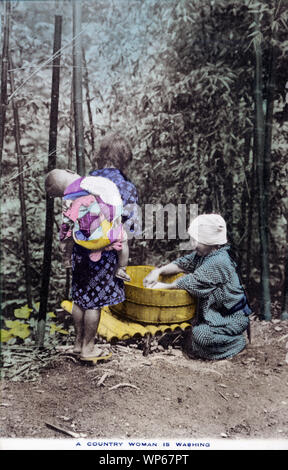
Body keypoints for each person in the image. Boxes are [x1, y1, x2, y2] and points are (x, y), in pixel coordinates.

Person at [45, 133, 139, 363]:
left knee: (80, 298)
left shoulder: (85, 180)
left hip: (79, 250)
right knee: (95, 302)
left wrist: (66, 246)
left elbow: (69, 218)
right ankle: (89, 347)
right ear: (125, 158)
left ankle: (77, 344)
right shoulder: (125, 186)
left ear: (100, 155)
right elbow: (132, 225)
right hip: (105, 254)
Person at [143, 214, 252, 361]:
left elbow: (191, 282)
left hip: (232, 317)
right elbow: (182, 263)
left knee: (199, 336)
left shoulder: (219, 261)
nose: (193, 245)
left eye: (197, 241)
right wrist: (158, 271)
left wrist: (163, 286)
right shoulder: (204, 254)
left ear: (211, 242)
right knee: (185, 330)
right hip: (217, 314)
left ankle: (236, 344)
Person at [45, 168, 131, 281]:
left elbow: (66, 225)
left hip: (87, 242)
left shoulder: (69, 199)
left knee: (72, 233)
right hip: (110, 235)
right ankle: (122, 268)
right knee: (123, 240)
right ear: (70, 172)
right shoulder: (94, 183)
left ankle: (67, 259)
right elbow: (113, 200)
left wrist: (63, 241)